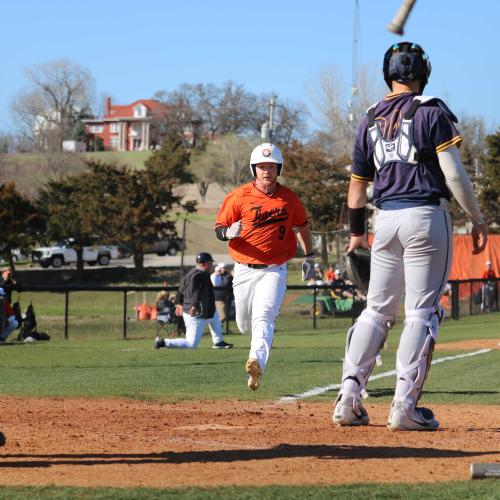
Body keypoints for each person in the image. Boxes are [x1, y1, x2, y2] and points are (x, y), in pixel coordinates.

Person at [332, 42, 488, 431]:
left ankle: (348, 398)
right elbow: (453, 175)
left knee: (376, 310)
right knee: (421, 311)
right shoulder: (431, 109)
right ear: (424, 72)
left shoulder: (369, 117)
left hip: (383, 220)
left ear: (388, 74)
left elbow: (356, 189)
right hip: (424, 216)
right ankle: (403, 407)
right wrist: (477, 217)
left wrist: (355, 237)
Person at [215, 143, 314, 391]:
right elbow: (219, 228)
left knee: (264, 315)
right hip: (244, 269)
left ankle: (255, 362)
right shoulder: (238, 197)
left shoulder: (289, 198)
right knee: (243, 323)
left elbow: (302, 226)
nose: (266, 171)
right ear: (254, 169)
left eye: (270, 166)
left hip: (274, 268)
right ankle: (253, 348)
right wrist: (228, 232)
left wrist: (310, 256)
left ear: (278, 168)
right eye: (261, 167)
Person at [154, 252, 233, 350]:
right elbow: (196, 292)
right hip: (196, 311)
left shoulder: (191, 273)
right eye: (210, 263)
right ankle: (163, 342)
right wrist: (194, 306)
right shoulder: (202, 274)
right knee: (191, 344)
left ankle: (218, 342)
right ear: (205, 264)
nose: (212, 265)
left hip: (203, 309)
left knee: (214, 317)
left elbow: (181, 289)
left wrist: (178, 303)